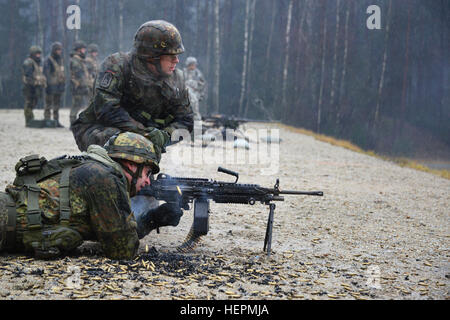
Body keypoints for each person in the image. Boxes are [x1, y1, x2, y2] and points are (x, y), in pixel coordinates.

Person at [0, 132, 183, 260]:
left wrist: (153, 218)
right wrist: (152, 219)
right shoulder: (104, 178)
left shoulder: (96, 168)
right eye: (148, 172)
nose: (149, 181)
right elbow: (122, 249)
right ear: (133, 164)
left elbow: (108, 231)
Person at [71, 20, 193, 157]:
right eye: (171, 56)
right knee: (127, 145)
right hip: (99, 130)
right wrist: (144, 134)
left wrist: (164, 137)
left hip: (144, 140)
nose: (176, 60)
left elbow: (186, 121)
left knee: (140, 154)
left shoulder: (176, 79)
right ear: (152, 57)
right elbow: (107, 109)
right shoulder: (117, 66)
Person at [22, 45, 47, 126]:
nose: (39, 56)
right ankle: (28, 120)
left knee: (34, 102)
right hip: (29, 87)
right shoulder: (28, 63)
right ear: (33, 54)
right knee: (29, 103)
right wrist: (34, 83)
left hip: (36, 86)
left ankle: (30, 119)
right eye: (37, 54)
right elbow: (28, 76)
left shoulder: (38, 63)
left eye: (39, 54)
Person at [43, 42, 66, 127]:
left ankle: (56, 121)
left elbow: (62, 73)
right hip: (50, 86)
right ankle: (47, 121)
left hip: (58, 86)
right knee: (48, 105)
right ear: (54, 50)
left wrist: (63, 84)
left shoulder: (60, 60)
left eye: (60, 49)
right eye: (58, 50)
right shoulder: (48, 60)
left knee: (57, 105)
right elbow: (46, 74)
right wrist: (48, 86)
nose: (59, 51)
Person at [69, 40, 90, 125]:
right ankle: (73, 122)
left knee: (87, 104)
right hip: (77, 86)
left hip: (83, 85)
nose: (84, 51)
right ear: (78, 50)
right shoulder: (75, 60)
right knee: (76, 105)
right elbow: (78, 74)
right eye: (83, 49)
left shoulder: (80, 60)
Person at [183, 56, 206, 121]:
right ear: (188, 65)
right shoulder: (183, 73)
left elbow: (202, 85)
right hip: (185, 95)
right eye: (192, 64)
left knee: (195, 109)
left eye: (194, 64)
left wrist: (201, 94)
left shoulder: (198, 74)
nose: (193, 66)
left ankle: (196, 121)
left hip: (195, 94)